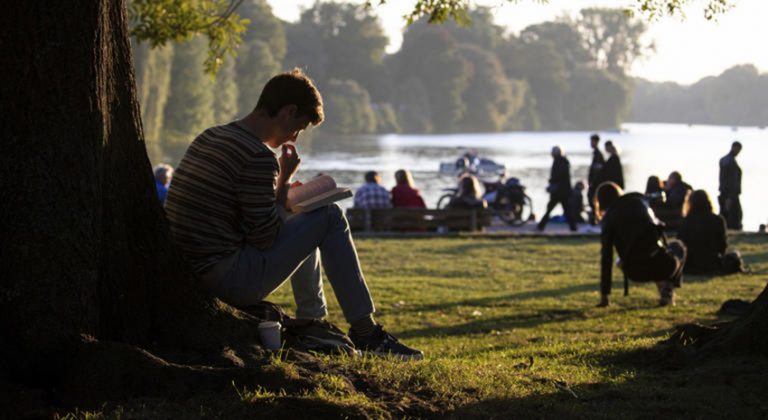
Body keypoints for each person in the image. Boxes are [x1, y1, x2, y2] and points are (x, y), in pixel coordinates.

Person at [165, 69, 422, 360]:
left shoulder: (212, 135)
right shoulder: (257, 156)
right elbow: (264, 236)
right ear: (287, 111)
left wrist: (283, 197)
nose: (295, 138)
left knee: (307, 216)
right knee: (329, 216)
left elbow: (242, 215)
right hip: (226, 277)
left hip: (192, 267)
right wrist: (284, 180)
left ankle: (313, 322)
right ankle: (364, 332)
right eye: (298, 127)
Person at [594, 182, 687, 307]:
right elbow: (660, 229)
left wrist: (604, 296)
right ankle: (667, 289)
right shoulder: (640, 203)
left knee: (618, 260)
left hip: (634, 271)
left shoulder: (609, 219)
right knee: (677, 246)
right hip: (662, 265)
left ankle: (664, 288)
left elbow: (606, 257)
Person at [678, 190, 744, 274]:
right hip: (712, 263)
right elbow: (722, 246)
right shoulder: (718, 220)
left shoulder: (686, 221)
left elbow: (680, 244)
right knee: (734, 255)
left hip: (690, 264)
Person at [537, 146, 576, 232]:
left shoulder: (560, 162)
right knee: (565, 210)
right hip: (562, 191)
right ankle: (573, 227)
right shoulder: (562, 161)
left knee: (552, 208)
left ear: (556, 153)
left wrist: (552, 181)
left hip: (560, 192)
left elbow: (559, 176)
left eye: (552, 152)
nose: (551, 154)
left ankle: (541, 225)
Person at [719, 141, 743, 230]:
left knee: (727, 214)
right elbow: (730, 181)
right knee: (734, 216)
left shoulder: (725, 160)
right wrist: (729, 197)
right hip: (730, 193)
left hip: (727, 193)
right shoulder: (730, 162)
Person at [587, 133, 605, 225]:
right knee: (593, 202)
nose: (591, 143)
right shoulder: (596, 154)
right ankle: (595, 220)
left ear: (596, 142)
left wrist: (593, 182)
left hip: (595, 185)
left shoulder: (598, 155)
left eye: (592, 141)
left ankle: (595, 221)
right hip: (594, 184)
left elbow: (598, 171)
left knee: (593, 201)